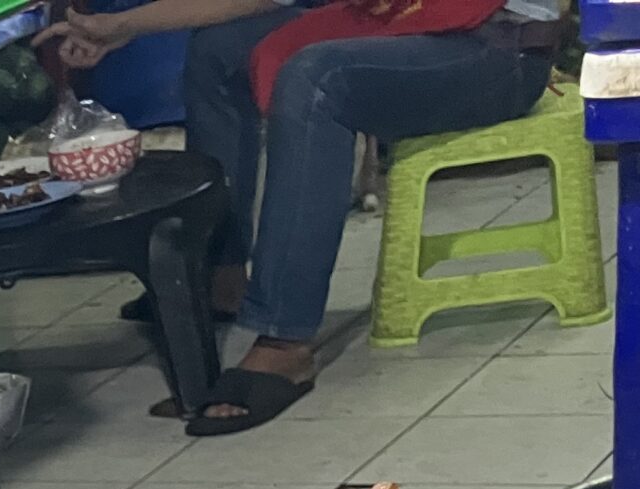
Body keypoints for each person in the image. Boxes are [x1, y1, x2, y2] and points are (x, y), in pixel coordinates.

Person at [40, 0, 560, 432]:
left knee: (317, 78)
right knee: (218, 53)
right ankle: (221, 271)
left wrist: (123, 24)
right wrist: (120, 27)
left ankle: (286, 338)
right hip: (398, 17)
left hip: (498, 47)